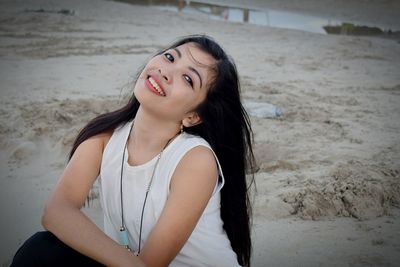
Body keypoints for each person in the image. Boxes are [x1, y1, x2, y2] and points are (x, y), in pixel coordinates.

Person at [11, 34, 255, 267]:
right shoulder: (104, 136)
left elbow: (152, 264)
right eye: (170, 58)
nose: (166, 72)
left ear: (193, 116)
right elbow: (56, 211)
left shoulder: (195, 160)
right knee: (40, 251)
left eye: (188, 79)